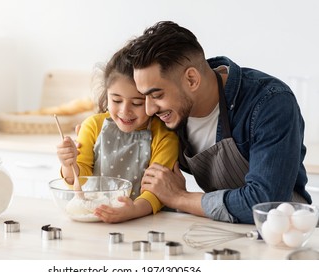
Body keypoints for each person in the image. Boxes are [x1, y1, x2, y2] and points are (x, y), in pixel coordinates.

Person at [128, 21, 311, 224]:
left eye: (157, 95)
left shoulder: (270, 102)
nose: (149, 109)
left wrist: (180, 198)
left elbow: (266, 203)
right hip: (222, 230)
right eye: (143, 97)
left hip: (284, 233)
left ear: (191, 80)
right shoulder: (167, 115)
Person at [56, 44, 179, 223]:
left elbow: (158, 191)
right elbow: (78, 181)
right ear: (106, 95)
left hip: (145, 221)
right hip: (97, 218)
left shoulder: (165, 138)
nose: (125, 111)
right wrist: (68, 163)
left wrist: (134, 210)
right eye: (116, 100)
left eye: (137, 103)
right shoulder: (93, 126)